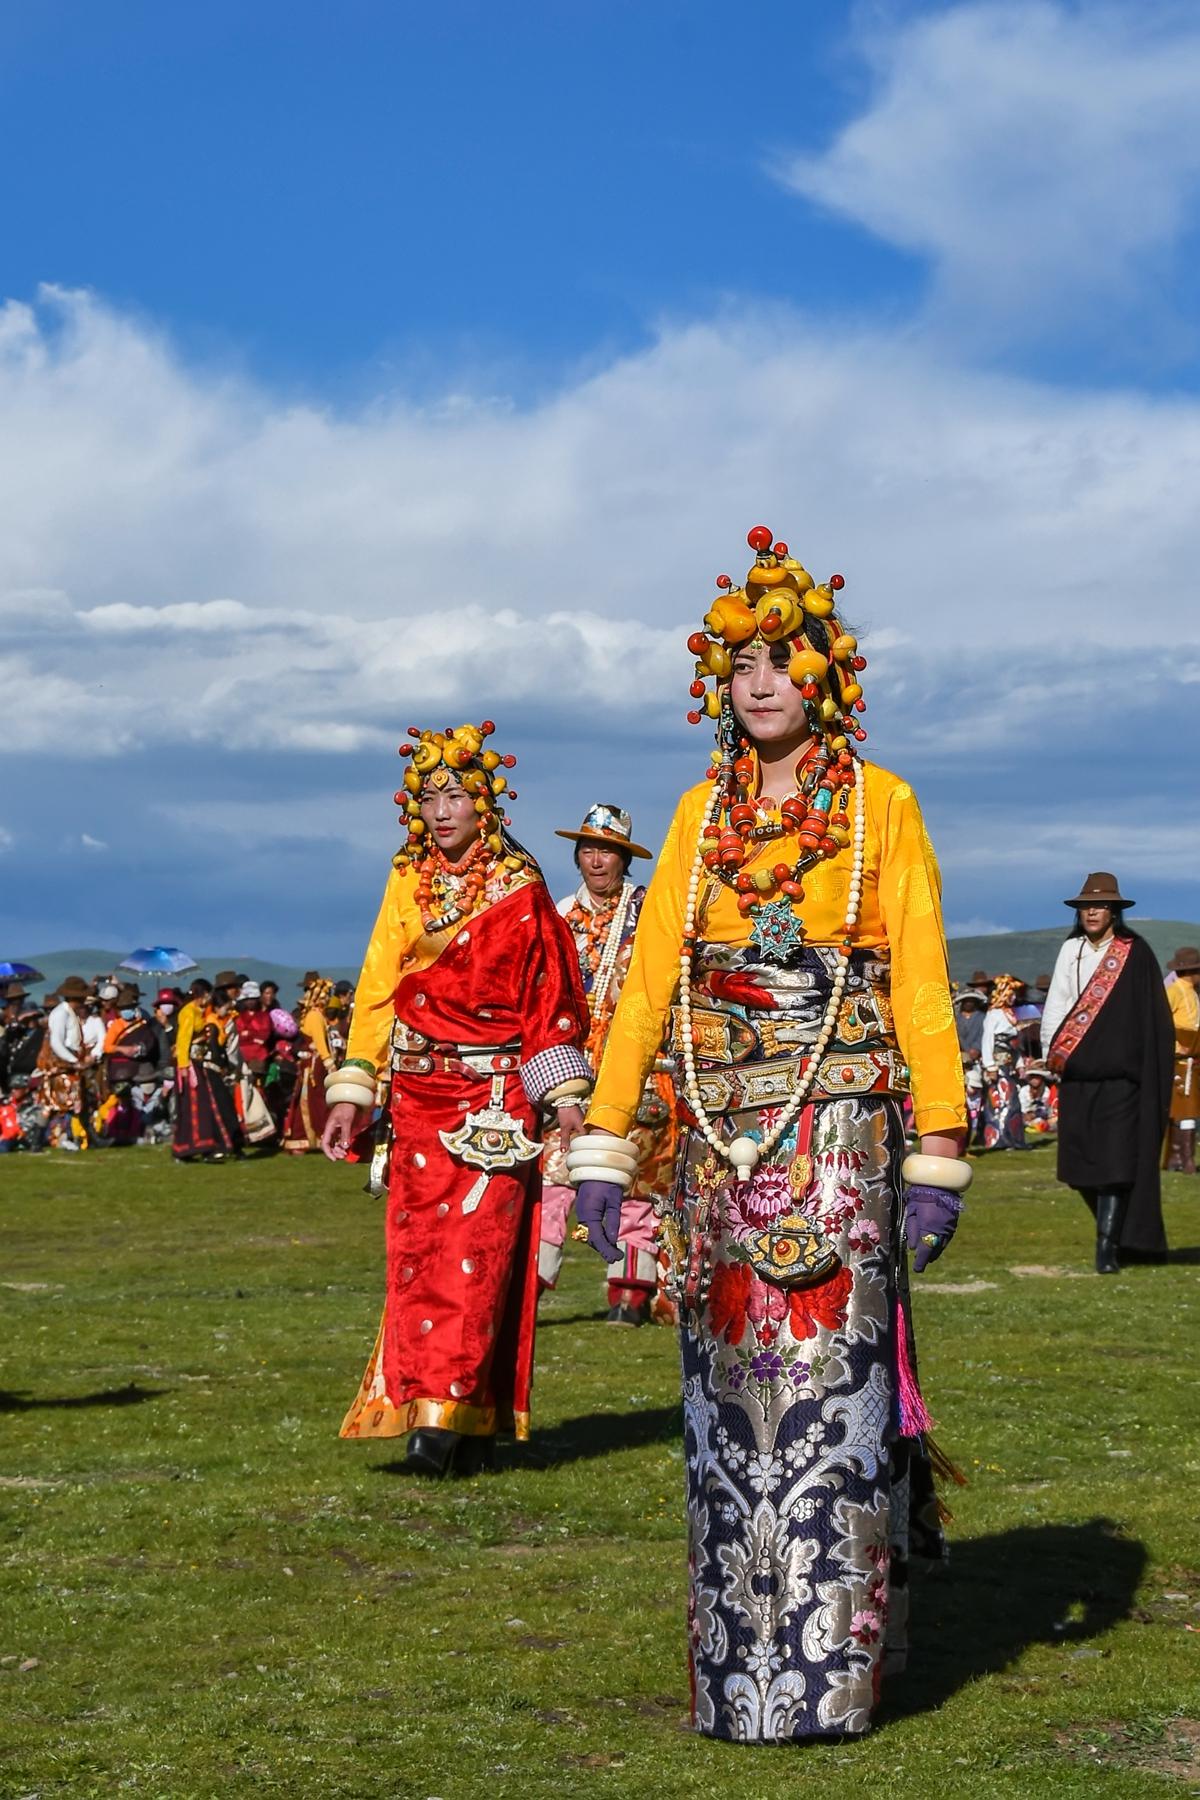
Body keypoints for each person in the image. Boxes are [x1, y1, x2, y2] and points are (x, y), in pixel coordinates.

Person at [568, 525, 969, 1742]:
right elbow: (647, 989)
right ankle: (739, 1678)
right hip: (719, 1141)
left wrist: (937, 1148)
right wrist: (605, 1137)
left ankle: (833, 1680)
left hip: (837, 1129)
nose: (758, 680)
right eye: (739, 661)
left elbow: (920, 979)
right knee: (729, 1404)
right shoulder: (696, 817)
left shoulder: (882, 807)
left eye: (782, 659)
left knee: (832, 1399)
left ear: (824, 678)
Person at [322, 719, 592, 1477]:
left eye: (457, 796)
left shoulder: (521, 889)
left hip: (494, 1100)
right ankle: (436, 1411)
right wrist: (357, 1084)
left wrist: (565, 1097)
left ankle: (443, 1425)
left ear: (486, 802)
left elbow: (549, 998)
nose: (443, 811)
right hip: (416, 1096)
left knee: (477, 1257)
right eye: (429, 796)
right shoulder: (406, 878)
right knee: (415, 1257)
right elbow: (379, 988)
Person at [538, 803, 678, 1325]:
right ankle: (531, 1289)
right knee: (554, 1176)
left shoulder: (650, 913)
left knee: (636, 1177)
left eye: (608, 851)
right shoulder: (558, 916)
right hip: (572, 1062)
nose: (597, 861)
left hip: (641, 1061)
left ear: (624, 859)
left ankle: (631, 1293)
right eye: (589, 849)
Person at [1041, 873, 1173, 1272]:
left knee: (1116, 1165)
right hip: (1077, 1076)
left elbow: (1151, 1017)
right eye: (1086, 906)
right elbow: (1057, 1004)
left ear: (1114, 911)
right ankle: (1116, 1233)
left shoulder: (1134, 952)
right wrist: (1053, 1055)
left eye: (1099, 905)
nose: (1092, 912)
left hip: (1122, 1079)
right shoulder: (1071, 951)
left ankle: (1106, 1250)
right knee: (1080, 1168)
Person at [173, 984, 244, 1162]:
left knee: (203, 1108)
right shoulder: (188, 1012)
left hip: (199, 1064)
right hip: (189, 1065)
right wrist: (183, 1067)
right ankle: (186, 1149)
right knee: (193, 1107)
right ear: (200, 994)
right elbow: (183, 1041)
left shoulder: (201, 1012)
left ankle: (205, 1146)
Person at [282, 977, 337, 1152]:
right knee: (314, 1099)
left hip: (313, 1062)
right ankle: (310, 1136)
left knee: (312, 1099)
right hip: (315, 1064)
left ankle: (306, 1138)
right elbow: (320, 1043)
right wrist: (329, 1063)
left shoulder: (313, 1014)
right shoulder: (315, 1015)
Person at [979, 974, 1027, 1151]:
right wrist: (990, 1065)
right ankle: (998, 1139)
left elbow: (1014, 1046)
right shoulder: (993, 1014)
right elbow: (987, 1041)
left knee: (1012, 1101)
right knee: (999, 1100)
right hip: (998, 1065)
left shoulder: (1011, 1014)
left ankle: (1013, 1138)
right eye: (1011, 992)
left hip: (1009, 1064)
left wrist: (1020, 1063)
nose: (1014, 996)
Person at [1164, 946, 1200, 1173]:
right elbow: (1162, 1021)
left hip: (1193, 1058)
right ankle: (1184, 1158)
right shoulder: (1174, 992)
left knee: (1189, 1108)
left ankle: (1177, 1157)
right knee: (1185, 1109)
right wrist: (1178, 1043)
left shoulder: (1194, 993)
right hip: (1180, 1060)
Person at [953, 986, 987, 1143]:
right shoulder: (956, 1018)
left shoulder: (981, 1017)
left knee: (977, 1096)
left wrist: (977, 1049)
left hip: (976, 1060)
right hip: (959, 1059)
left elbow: (984, 1035)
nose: (969, 1004)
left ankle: (978, 1131)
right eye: (966, 1001)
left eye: (972, 1001)